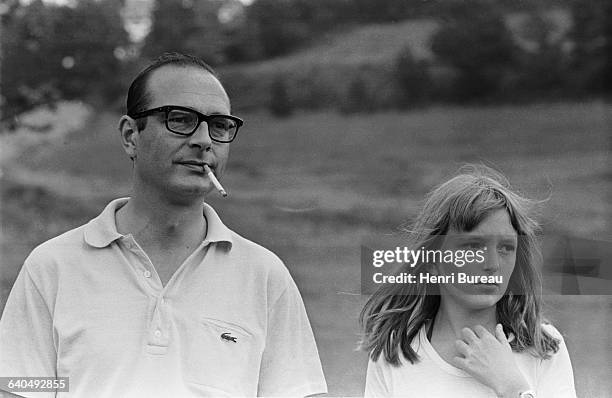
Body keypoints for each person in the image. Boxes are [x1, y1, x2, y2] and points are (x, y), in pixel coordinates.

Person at [0, 52, 327, 397]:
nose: (203, 140)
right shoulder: (52, 268)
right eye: (180, 119)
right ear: (130, 135)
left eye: (218, 126)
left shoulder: (264, 276)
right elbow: (20, 389)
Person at [360, 165, 576, 398]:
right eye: (473, 246)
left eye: (505, 248)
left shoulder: (543, 348)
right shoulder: (393, 354)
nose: (492, 264)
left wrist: (511, 386)